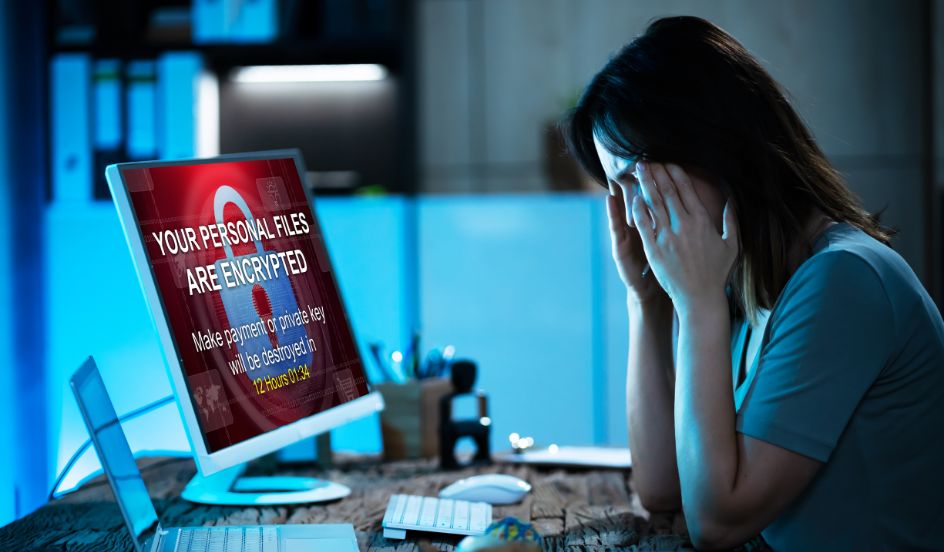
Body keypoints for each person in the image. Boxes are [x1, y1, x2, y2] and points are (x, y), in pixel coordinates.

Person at [565, 15, 944, 550]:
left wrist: (695, 305)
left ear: (712, 143)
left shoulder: (844, 280)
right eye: (615, 188)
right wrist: (645, 299)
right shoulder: (747, 281)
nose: (630, 214)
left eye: (638, 178)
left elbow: (717, 523)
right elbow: (663, 488)